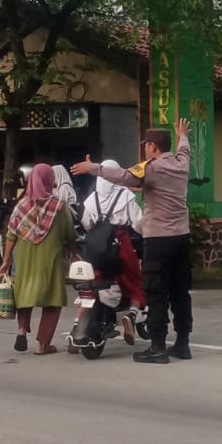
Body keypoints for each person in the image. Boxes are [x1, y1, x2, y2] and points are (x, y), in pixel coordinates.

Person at [73, 118, 192, 364]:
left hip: (158, 239)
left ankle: (158, 346)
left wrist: (93, 167)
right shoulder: (182, 164)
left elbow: (124, 176)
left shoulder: (150, 168)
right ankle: (182, 344)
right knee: (180, 292)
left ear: (152, 147)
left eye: (146, 145)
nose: (145, 149)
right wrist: (183, 135)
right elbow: (185, 150)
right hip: (182, 237)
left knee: (156, 292)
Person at [1, 164, 75, 356]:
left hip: (24, 259)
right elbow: (70, 234)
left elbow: (11, 235)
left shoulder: (21, 206)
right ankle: (43, 345)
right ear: (49, 180)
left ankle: (21, 331)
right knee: (52, 301)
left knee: (25, 295)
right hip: (50, 260)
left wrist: (6, 260)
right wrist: (74, 254)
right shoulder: (59, 206)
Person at [83, 158, 146, 342]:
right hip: (121, 245)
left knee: (94, 284)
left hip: (95, 250)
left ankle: (81, 322)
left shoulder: (91, 199)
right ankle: (131, 315)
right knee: (136, 283)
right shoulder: (125, 196)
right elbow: (138, 222)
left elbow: (87, 224)